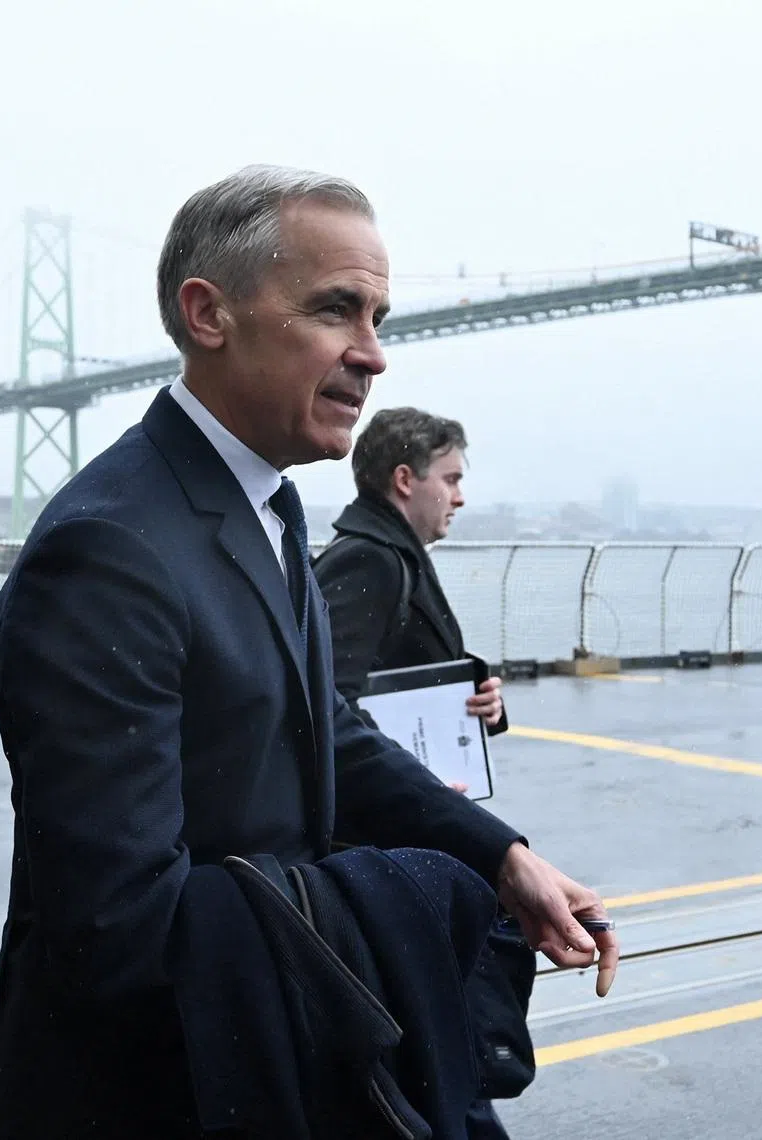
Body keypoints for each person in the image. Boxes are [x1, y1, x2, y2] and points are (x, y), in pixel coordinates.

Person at [0, 166, 618, 1139]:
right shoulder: (108, 548)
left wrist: (498, 856)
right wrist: (416, 897)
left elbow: (325, 733)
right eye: (335, 310)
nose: (375, 355)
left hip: (247, 1055)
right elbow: (119, 929)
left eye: (378, 318)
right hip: (155, 1091)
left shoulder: (265, 504)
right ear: (209, 314)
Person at [313, 407, 529, 1140]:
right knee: (443, 1062)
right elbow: (328, 706)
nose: (460, 496)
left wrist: (481, 702)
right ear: (405, 480)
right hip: (392, 846)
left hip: (406, 835)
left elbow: (386, 680)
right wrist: (422, 790)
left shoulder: (392, 554)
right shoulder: (371, 560)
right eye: (452, 478)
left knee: (439, 1063)